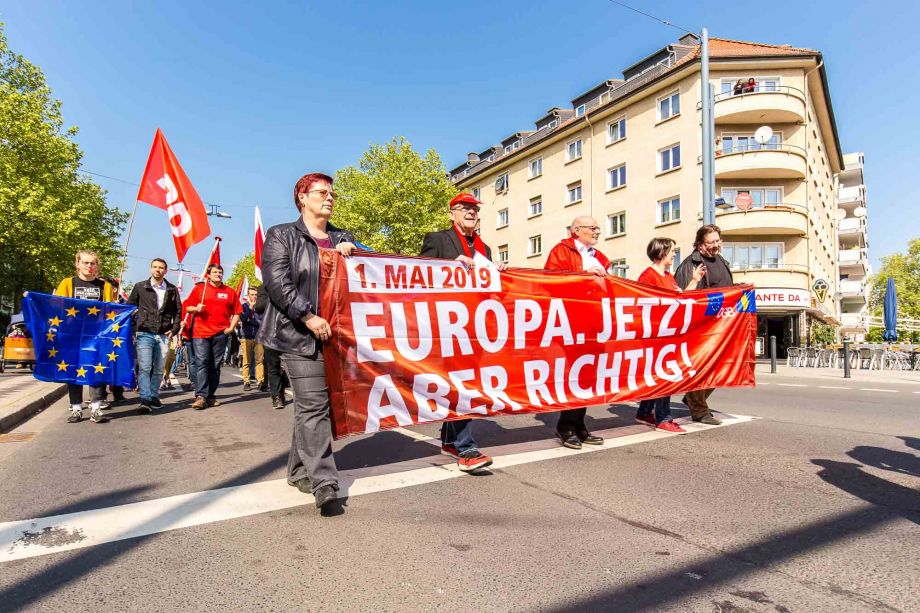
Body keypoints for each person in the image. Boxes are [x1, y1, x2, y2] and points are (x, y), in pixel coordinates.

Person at [258, 172, 357, 511]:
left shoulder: (343, 237)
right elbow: (277, 282)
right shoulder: (282, 236)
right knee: (314, 405)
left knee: (313, 405)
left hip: (335, 336)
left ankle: (298, 469)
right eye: (321, 192)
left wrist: (354, 253)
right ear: (302, 197)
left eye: (331, 193)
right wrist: (308, 316)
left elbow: (373, 269)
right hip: (297, 335)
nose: (329, 198)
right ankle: (325, 482)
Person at [420, 192, 507, 473]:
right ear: (451, 213)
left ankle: (449, 439)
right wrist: (448, 265)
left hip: (476, 326)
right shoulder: (437, 239)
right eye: (464, 208)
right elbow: (419, 274)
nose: (470, 212)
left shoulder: (485, 249)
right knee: (462, 384)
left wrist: (498, 272)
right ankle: (467, 449)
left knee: (462, 383)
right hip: (449, 326)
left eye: (473, 208)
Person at [543, 216, 610, 449]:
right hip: (571, 323)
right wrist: (583, 274)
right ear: (576, 230)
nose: (597, 231)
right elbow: (551, 282)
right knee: (573, 374)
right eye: (593, 228)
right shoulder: (561, 252)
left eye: (597, 227)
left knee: (587, 375)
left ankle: (579, 425)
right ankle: (566, 425)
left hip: (593, 324)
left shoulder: (601, 257)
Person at [634, 238, 706, 434]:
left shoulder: (667, 276)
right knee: (665, 375)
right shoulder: (648, 276)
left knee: (661, 375)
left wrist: (693, 282)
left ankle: (644, 412)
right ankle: (663, 418)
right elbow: (643, 306)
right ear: (662, 252)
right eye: (672, 251)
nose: (674, 254)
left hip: (668, 335)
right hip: (656, 336)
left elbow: (680, 299)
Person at [674, 224, 734, 425]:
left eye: (718, 241)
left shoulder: (721, 260)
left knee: (722, 366)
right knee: (704, 368)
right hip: (703, 327)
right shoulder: (690, 264)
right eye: (711, 242)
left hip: (722, 324)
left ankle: (693, 397)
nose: (716, 245)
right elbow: (685, 298)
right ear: (700, 244)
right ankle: (699, 410)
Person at [54, 249, 117, 424]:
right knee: (73, 370)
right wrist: (33, 299)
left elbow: (110, 310)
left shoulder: (105, 286)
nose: (89, 266)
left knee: (96, 369)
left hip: (96, 335)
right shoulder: (67, 283)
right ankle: (76, 408)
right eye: (86, 263)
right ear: (78, 264)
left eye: (93, 263)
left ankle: (96, 408)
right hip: (72, 335)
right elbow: (56, 304)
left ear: (97, 266)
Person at [128, 258, 182, 412]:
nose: (157, 270)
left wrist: (175, 328)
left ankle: (153, 395)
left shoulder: (172, 289)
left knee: (159, 368)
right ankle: (144, 398)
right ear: (151, 269)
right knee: (145, 367)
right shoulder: (140, 287)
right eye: (155, 267)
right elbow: (129, 308)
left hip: (164, 334)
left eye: (161, 268)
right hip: (144, 332)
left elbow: (178, 311)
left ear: (166, 270)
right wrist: (133, 329)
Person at [184, 265, 242, 409]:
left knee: (215, 366)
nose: (218, 274)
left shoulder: (229, 291)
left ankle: (210, 396)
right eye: (215, 272)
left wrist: (231, 328)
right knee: (202, 362)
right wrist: (196, 308)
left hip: (221, 333)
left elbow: (237, 311)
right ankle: (201, 396)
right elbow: (188, 307)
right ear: (208, 275)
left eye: (220, 272)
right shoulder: (200, 289)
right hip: (201, 333)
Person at [254, 284, 288, 409]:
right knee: (273, 366)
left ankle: (283, 388)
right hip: (271, 332)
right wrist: (275, 296)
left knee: (289, 366)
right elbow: (259, 307)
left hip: (290, 331)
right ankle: (277, 396)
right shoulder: (264, 287)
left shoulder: (290, 283)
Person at [240, 286, 265, 391]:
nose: (254, 297)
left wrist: (252, 322)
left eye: (256, 295)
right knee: (247, 361)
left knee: (260, 361)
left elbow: (262, 322)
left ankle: (260, 381)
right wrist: (250, 308)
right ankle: (246, 381)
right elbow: (243, 318)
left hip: (259, 338)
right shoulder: (244, 306)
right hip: (246, 337)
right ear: (248, 295)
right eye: (252, 295)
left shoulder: (260, 307)